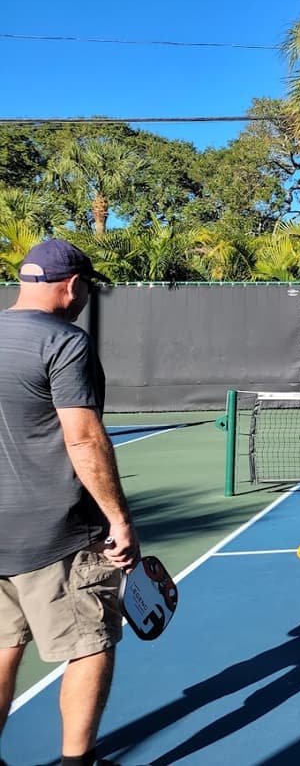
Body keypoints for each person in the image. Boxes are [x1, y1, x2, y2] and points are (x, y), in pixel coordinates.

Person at [0, 240, 139, 766]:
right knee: (90, 643)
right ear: (74, 285)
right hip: (56, 535)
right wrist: (118, 520)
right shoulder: (66, 343)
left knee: (1, 647)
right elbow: (82, 437)